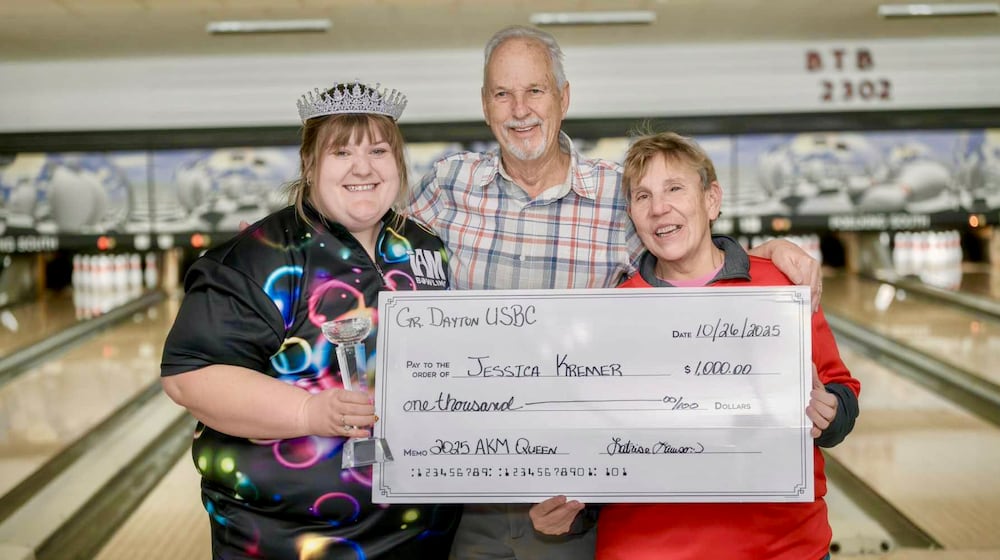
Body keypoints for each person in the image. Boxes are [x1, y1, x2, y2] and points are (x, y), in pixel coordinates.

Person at [408, 24, 825, 560]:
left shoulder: (615, 193)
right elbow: (380, 262)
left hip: (573, 493)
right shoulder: (448, 184)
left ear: (563, 98)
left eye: (535, 90)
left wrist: (766, 252)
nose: (520, 109)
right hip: (470, 491)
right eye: (502, 94)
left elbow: (688, 255)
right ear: (485, 105)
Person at [160, 81, 460, 559]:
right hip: (286, 542)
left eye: (378, 151)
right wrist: (309, 413)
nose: (363, 167)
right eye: (342, 152)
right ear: (309, 164)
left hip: (419, 539)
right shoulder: (260, 257)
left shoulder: (424, 249)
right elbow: (190, 376)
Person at [594, 131, 860, 559]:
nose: (659, 207)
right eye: (643, 196)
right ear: (633, 215)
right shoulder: (611, 312)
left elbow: (841, 390)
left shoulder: (782, 287)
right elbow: (596, 441)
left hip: (784, 549)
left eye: (674, 188)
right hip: (648, 549)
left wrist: (830, 412)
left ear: (712, 200)